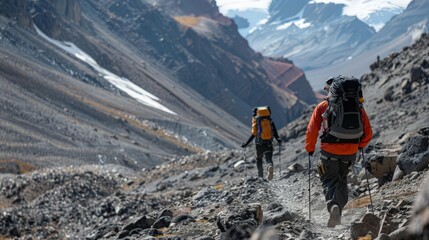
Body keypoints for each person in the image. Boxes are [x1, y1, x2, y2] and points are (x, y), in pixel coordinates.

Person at [305, 76, 373, 227]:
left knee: (328, 179)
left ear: (331, 90)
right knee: (342, 180)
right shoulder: (358, 108)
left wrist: (309, 149)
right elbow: (368, 133)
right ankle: (338, 211)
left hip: (329, 152)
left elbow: (311, 131)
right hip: (350, 153)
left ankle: (333, 206)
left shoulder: (323, 106)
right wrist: (359, 146)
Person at [241, 106, 282, 181]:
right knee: (268, 158)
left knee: (259, 159)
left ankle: (261, 176)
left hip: (259, 144)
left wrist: (246, 144)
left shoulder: (256, 121)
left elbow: (253, 134)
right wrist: (278, 139)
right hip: (269, 143)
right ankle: (269, 166)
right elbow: (275, 132)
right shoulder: (270, 121)